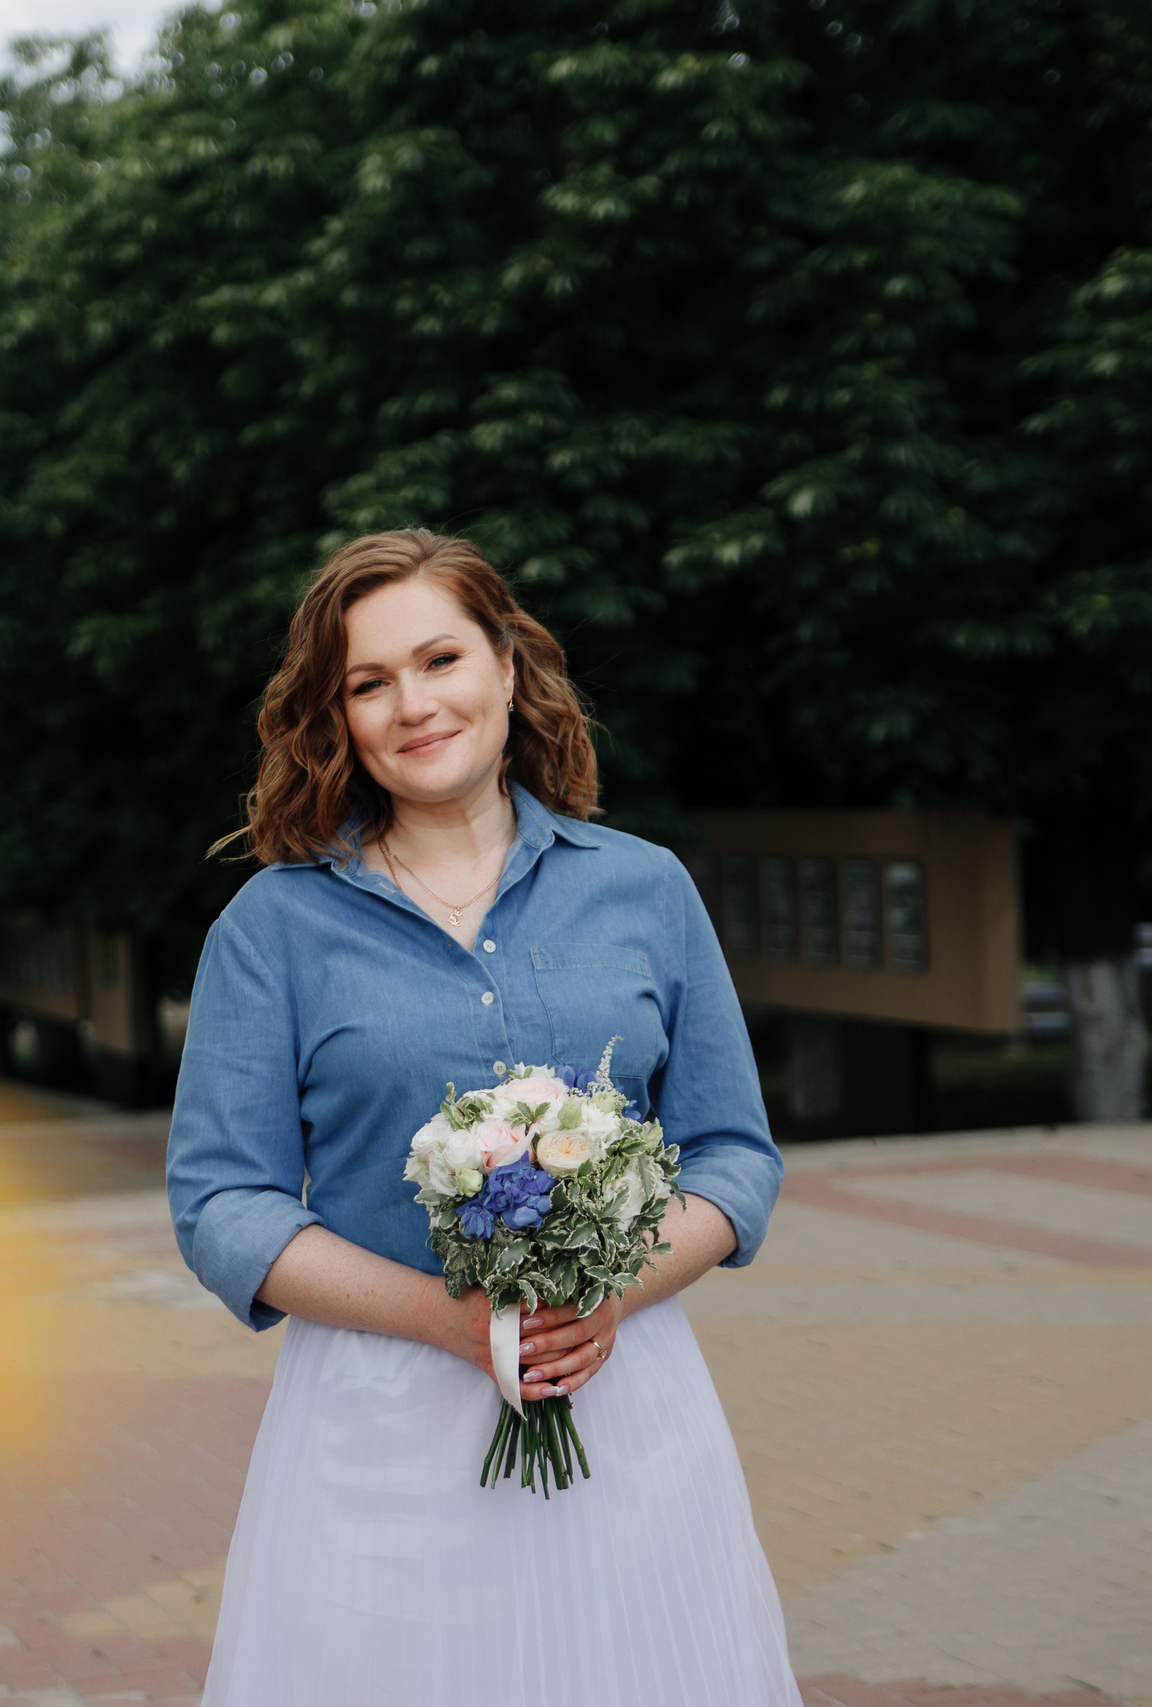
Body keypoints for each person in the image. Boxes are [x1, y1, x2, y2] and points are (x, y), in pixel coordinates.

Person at [166, 529, 793, 1705]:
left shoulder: (645, 887)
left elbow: (732, 1156)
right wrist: (448, 1319)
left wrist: (613, 1294)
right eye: (368, 682)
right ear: (338, 716)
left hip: (623, 1398)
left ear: (507, 668)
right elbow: (222, 1204)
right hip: (380, 1424)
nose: (413, 704)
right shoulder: (271, 925)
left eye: (440, 658)